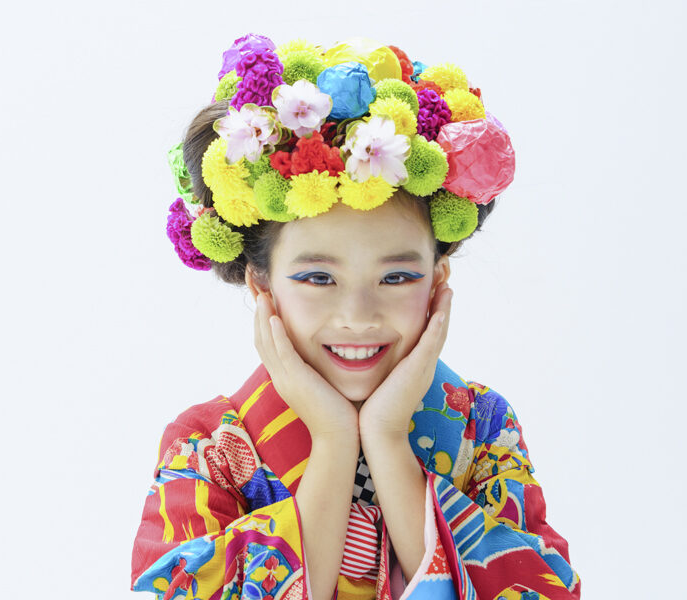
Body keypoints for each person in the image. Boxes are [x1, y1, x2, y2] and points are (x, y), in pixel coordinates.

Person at [131, 34, 581, 600]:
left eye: (397, 277)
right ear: (260, 282)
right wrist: (333, 441)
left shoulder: (482, 429)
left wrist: (390, 442)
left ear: (439, 279)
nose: (357, 316)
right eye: (318, 278)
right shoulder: (206, 448)